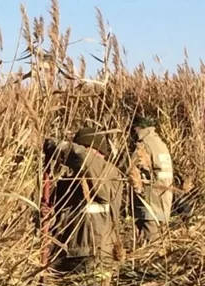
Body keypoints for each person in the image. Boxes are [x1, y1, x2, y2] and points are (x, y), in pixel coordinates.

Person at [44, 128, 123, 273]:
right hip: (70, 251)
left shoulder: (106, 171)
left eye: (84, 147)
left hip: (94, 254)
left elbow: (82, 157)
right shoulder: (76, 177)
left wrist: (52, 144)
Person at [128, 116, 174, 244]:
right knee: (159, 248)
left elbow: (131, 170)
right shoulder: (160, 143)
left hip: (148, 205)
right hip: (163, 203)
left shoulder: (143, 145)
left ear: (136, 128)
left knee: (148, 247)